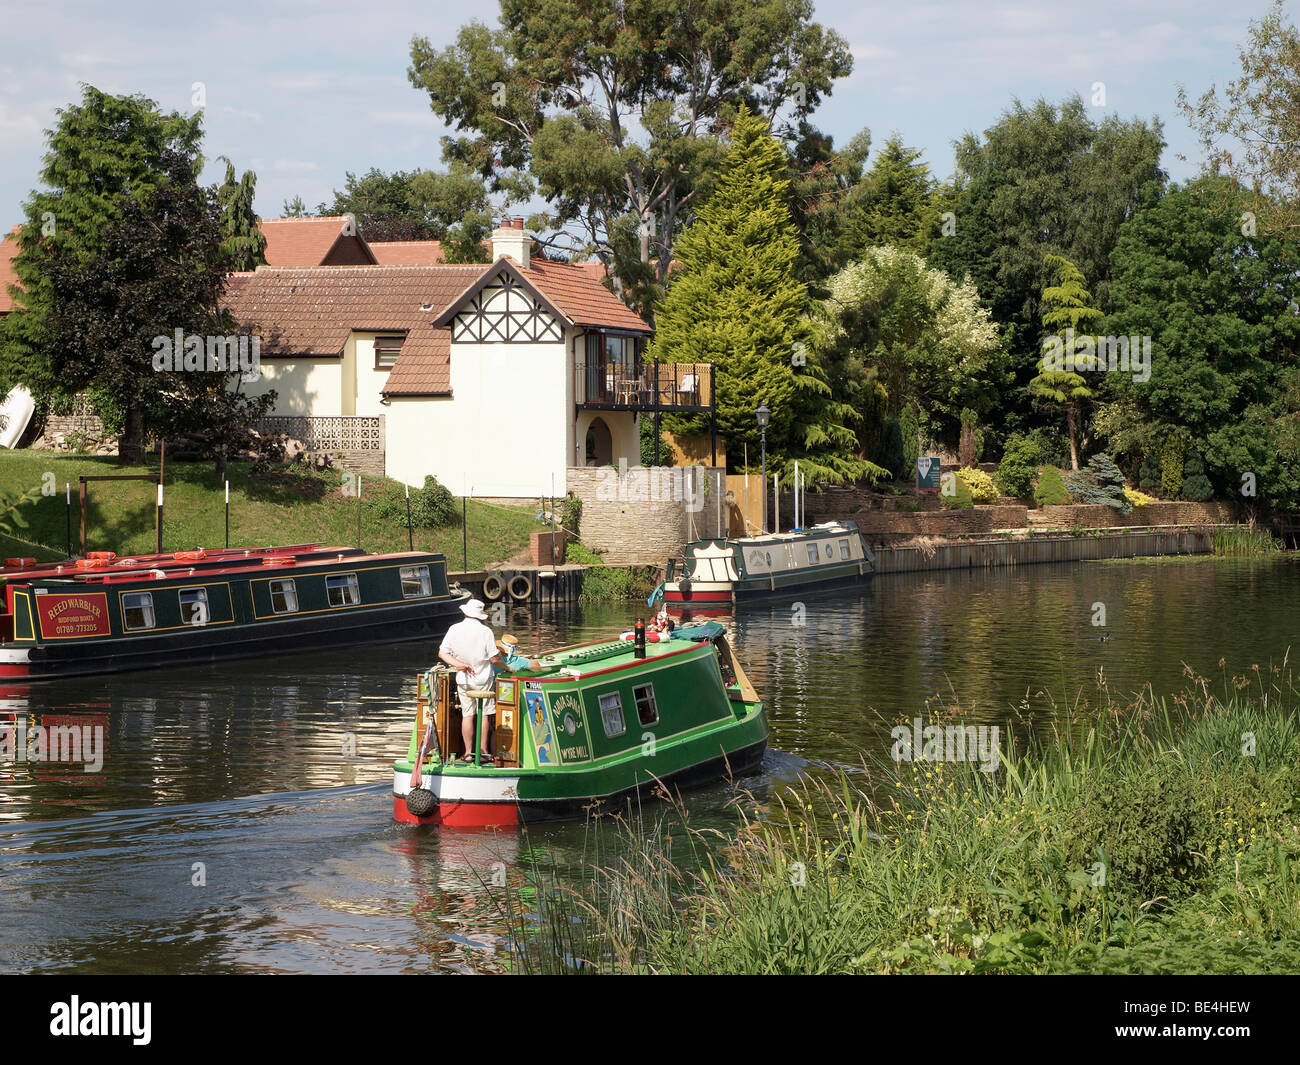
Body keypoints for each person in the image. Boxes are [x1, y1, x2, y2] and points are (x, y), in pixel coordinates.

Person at [439, 599, 507, 762]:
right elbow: (494, 659)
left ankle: (469, 753)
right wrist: (508, 668)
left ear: (465, 613)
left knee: (467, 715)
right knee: (484, 716)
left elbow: (442, 653)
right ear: (481, 615)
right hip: (483, 679)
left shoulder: (454, 629)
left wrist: (460, 665)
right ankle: (483, 752)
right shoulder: (485, 631)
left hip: (464, 680)